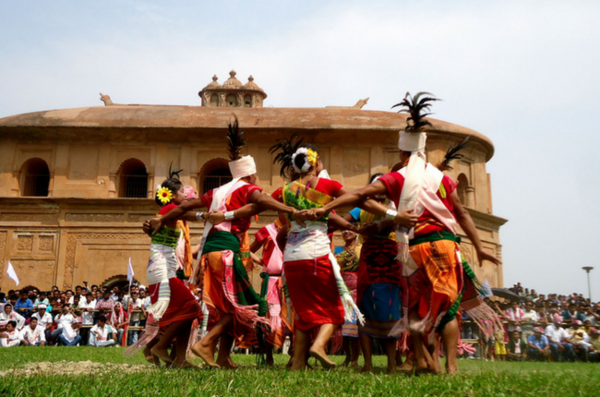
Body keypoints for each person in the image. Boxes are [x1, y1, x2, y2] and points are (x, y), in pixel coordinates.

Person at [312, 95, 502, 374]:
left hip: (415, 250)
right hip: (446, 247)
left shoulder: (398, 178)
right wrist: (479, 246)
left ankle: (424, 359)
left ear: (402, 154)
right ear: (422, 153)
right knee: (448, 309)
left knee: (412, 308)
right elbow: (461, 214)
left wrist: (329, 205)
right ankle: (447, 366)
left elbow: (360, 194)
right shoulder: (443, 180)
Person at [149, 122, 307, 369]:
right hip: (225, 252)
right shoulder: (247, 188)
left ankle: (223, 357)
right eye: (254, 175)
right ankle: (204, 344)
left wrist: (162, 217)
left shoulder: (215, 192)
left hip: (212, 251)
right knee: (243, 304)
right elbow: (262, 199)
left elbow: (184, 207)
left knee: (228, 307)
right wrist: (291, 209)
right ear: (250, 175)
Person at [143, 169, 203, 368]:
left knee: (187, 313)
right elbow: (191, 214)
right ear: (172, 195)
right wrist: (208, 214)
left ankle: (180, 360)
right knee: (192, 307)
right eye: (182, 193)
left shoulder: (169, 213)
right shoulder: (169, 209)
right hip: (162, 271)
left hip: (163, 270)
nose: (185, 195)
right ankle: (160, 346)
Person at [345, 173, 404, 373]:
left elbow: (346, 221)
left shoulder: (390, 205)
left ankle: (388, 364)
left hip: (385, 259)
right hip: (375, 259)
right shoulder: (371, 207)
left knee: (389, 308)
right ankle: (371, 364)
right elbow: (345, 221)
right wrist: (358, 231)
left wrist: (364, 229)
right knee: (368, 308)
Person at [250, 213, 287, 367]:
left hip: (288, 280)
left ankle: (294, 357)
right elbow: (247, 249)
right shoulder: (267, 230)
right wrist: (260, 260)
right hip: (271, 281)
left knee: (289, 317)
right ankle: (269, 356)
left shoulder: (295, 228)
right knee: (269, 319)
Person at [335, 227, 362, 368]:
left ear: (357, 232)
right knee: (344, 328)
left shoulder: (362, 249)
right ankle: (348, 356)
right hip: (342, 290)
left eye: (350, 229)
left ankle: (355, 359)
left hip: (358, 290)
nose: (346, 231)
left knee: (355, 327)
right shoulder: (337, 251)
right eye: (344, 229)